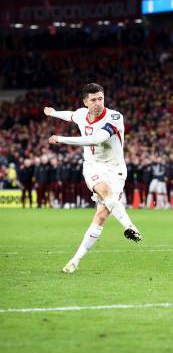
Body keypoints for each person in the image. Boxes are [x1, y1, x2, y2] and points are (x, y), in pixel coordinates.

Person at [45, 82, 142, 274]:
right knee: (105, 192)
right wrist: (54, 112)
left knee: (101, 216)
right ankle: (130, 226)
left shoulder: (115, 117)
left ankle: (75, 260)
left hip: (116, 170)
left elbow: (95, 139)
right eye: (93, 100)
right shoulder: (81, 114)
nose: (98, 103)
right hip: (93, 167)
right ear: (85, 102)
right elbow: (71, 115)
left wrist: (61, 139)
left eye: (101, 99)